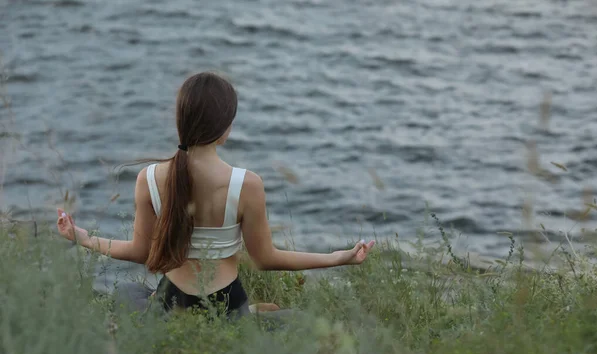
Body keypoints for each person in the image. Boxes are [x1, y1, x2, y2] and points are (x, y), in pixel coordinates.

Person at [56, 71, 376, 318]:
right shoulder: (246, 184)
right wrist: (338, 257)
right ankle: (249, 315)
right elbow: (266, 259)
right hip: (226, 304)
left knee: (128, 293)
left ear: (180, 120)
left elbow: (141, 252)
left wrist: (82, 237)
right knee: (295, 321)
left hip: (170, 301)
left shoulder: (149, 178)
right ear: (225, 130)